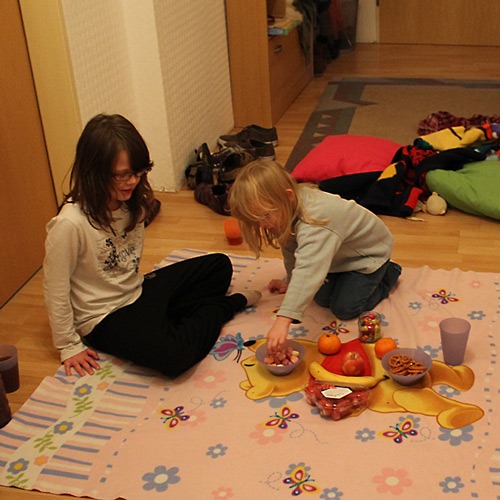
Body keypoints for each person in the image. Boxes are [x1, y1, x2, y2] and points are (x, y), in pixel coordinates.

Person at [43, 113, 261, 378]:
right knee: (175, 357)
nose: (133, 181)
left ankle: (174, 325)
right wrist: (68, 345)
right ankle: (225, 306)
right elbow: (55, 288)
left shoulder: (130, 202)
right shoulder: (69, 223)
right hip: (104, 316)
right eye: (123, 175)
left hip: (137, 290)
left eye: (139, 172)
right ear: (95, 172)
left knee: (219, 266)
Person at [229, 160, 401, 354]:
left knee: (344, 309)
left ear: (288, 196)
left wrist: (283, 320)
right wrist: (291, 281)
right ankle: (344, 278)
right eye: (257, 220)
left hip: (367, 258)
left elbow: (309, 269)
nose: (263, 225)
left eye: (265, 216)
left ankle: (389, 272)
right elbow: (292, 250)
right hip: (339, 257)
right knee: (320, 298)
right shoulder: (287, 207)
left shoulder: (316, 220)